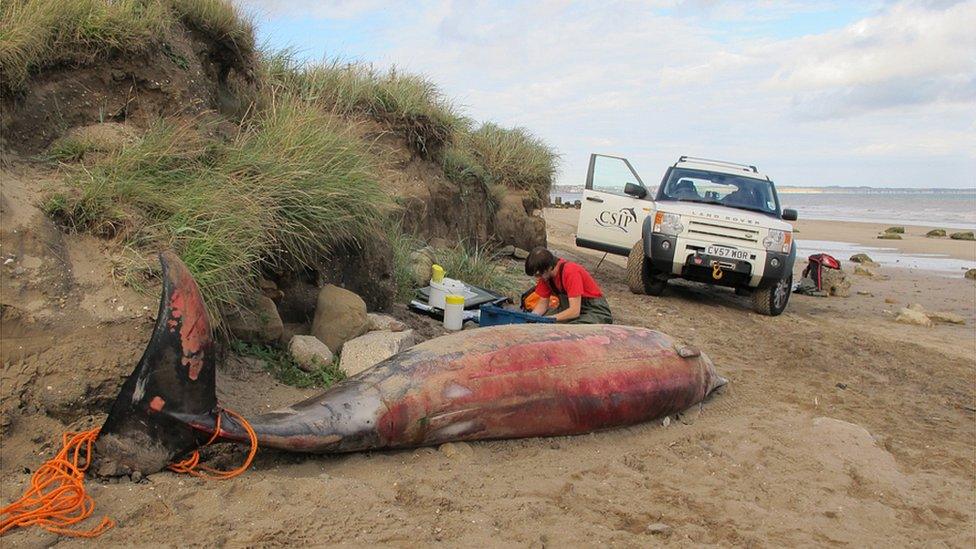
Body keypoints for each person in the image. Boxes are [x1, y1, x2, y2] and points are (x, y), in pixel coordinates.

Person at [524, 247, 613, 324]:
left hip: (594, 310)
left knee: (570, 330)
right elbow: (542, 305)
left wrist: (549, 320)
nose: (538, 278)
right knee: (539, 323)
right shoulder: (546, 276)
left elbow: (574, 311)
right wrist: (532, 318)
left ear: (549, 268)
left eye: (539, 275)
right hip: (569, 308)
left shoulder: (570, 272)